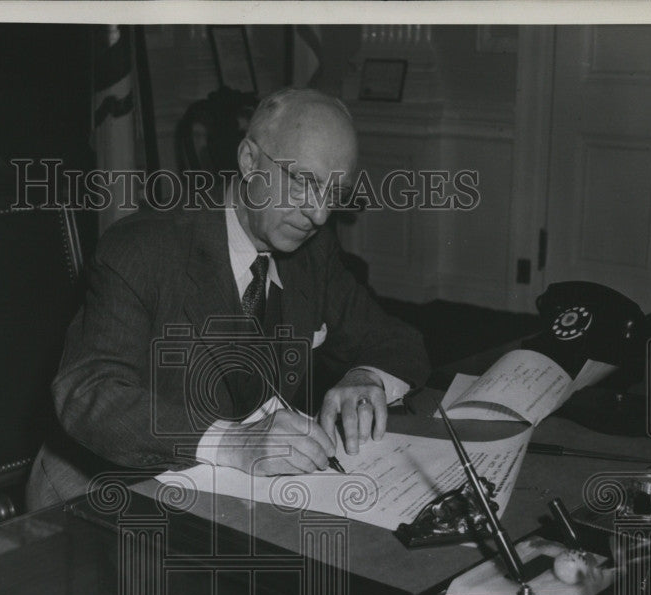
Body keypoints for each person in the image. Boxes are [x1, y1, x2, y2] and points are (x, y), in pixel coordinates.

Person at [27, 87, 429, 508]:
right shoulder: (141, 249)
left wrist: (364, 378)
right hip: (100, 486)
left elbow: (398, 342)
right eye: (305, 182)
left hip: (226, 495)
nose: (320, 214)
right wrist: (234, 442)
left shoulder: (312, 252)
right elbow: (88, 393)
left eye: (335, 193)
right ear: (249, 161)